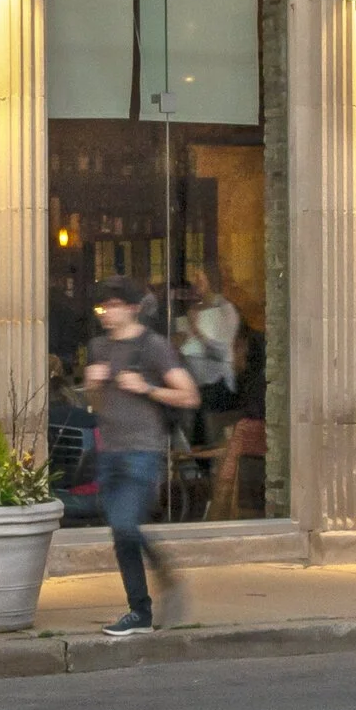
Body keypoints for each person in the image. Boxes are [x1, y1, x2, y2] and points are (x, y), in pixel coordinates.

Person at [85, 277, 200, 635]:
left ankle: (163, 577)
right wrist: (92, 386)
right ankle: (140, 612)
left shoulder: (153, 346)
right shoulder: (98, 347)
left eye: (113, 305)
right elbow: (98, 404)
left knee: (124, 524)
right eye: (102, 306)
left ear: (132, 308)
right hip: (109, 450)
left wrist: (146, 387)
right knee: (122, 535)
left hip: (143, 450)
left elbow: (189, 396)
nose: (106, 313)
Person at [178, 263, 242, 404]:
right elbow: (185, 343)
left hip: (217, 386)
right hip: (196, 385)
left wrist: (196, 329)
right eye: (194, 280)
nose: (195, 284)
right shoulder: (195, 309)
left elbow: (221, 352)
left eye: (200, 280)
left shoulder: (226, 310)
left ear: (211, 282)